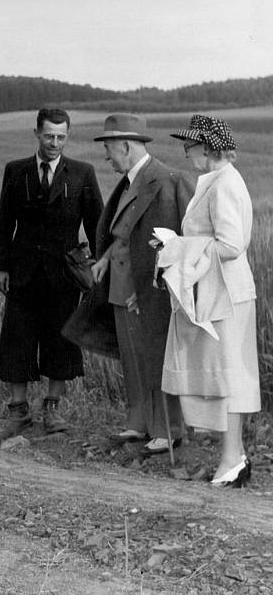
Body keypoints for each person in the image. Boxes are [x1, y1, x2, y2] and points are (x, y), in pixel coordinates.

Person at [0, 108, 103, 440]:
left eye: (61, 137)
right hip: (22, 273)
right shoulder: (16, 171)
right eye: (49, 136)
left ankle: (52, 410)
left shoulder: (82, 173)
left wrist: (97, 267)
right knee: (17, 339)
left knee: (60, 340)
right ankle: (18, 411)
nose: (55, 143)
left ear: (67, 137)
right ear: (37, 134)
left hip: (64, 276)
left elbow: (96, 223)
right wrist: (0, 267)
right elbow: (4, 222)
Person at [161, 115, 258, 486]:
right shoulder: (216, 181)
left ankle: (232, 459)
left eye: (191, 145)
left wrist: (180, 248)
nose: (186, 152)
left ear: (209, 147)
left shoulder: (225, 184)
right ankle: (234, 458)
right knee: (224, 376)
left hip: (227, 296)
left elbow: (233, 244)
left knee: (229, 378)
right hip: (219, 293)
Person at [90, 113, 193, 455]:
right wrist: (104, 258)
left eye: (109, 148)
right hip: (121, 284)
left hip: (145, 289)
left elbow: (164, 245)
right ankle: (139, 423)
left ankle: (168, 429)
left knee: (157, 357)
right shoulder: (131, 180)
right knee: (133, 359)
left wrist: (143, 290)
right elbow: (123, 233)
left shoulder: (162, 181)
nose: (106, 155)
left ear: (127, 146)